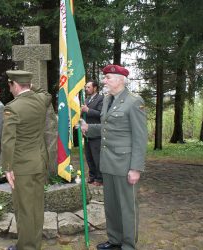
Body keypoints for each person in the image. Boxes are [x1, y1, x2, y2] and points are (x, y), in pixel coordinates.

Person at [81, 65, 147, 250]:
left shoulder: (134, 101)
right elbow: (107, 129)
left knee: (127, 207)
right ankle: (115, 240)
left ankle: (127, 245)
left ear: (120, 79)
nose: (104, 81)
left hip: (125, 164)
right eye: (105, 78)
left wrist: (136, 168)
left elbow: (140, 137)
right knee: (111, 206)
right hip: (108, 161)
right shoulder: (109, 99)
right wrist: (88, 128)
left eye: (108, 77)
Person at [0, 70, 51, 250]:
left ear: (14, 84)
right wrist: (30, 85)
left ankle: (27, 247)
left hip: (23, 167)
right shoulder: (41, 101)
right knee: (36, 207)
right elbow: (46, 94)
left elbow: (8, 141)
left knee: (25, 209)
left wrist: (7, 167)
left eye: (10, 85)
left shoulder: (13, 107)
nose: (10, 89)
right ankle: (32, 243)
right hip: (40, 162)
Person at [81, 80, 104, 186]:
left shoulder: (101, 98)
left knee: (97, 156)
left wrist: (88, 110)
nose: (86, 89)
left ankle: (99, 178)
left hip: (96, 132)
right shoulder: (86, 100)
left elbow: (101, 114)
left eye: (88, 87)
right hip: (86, 132)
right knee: (89, 155)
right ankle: (92, 176)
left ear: (95, 88)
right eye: (86, 87)